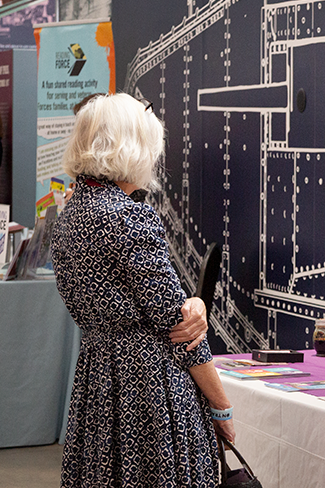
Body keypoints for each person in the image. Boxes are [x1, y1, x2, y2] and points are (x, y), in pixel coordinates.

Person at [51, 93, 236, 487]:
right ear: (132, 147)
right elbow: (177, 324)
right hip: (149, 388)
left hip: (98, 379)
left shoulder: (68, 216)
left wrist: (192, 304)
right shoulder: (129, 216)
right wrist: (221, 406)